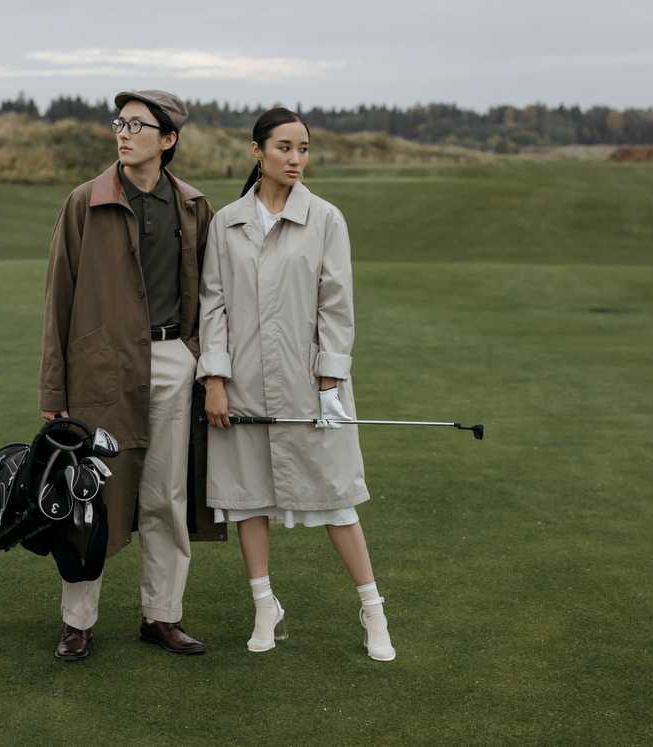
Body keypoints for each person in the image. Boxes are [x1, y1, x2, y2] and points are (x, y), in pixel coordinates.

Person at [197, 107, 396, 661]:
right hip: (242, 386)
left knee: (337, 500)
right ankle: (265, 604)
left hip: (312, 388)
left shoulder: (327, 219)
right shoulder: (227, 222)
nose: (296, 159)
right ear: (256, 151)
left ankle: (373, 609)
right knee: (247, 499)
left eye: (304, 148)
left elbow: (336, 303)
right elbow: (212, 304)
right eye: (285, 147)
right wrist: (214, 378)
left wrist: (330, 384)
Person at [39, 90, 216, 660]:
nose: (123, 133)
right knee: (90, 497)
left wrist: (196, 356)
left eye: (138, 125)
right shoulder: (83, 202)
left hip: (170, 363)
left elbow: (208, 296)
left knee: (165, 496)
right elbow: (57, 300)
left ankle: (162, 616)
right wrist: (54, 390)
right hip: (100, 371)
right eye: (120, 123)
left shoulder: (192, 206)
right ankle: (78, 621)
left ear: (168, 140)